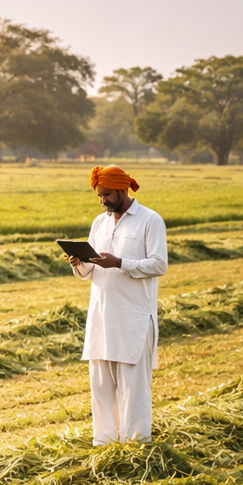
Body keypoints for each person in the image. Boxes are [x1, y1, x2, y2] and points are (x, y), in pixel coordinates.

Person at [67, 166, 168, 444]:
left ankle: (136, 444)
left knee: (133, 388)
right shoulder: (99, 223)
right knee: (100, 386)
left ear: (123, 189)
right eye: (99, 196)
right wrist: (78, 263)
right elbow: (89, 271)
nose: (103, 201)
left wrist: (119, 263)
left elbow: (159, 264)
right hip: (101, 317)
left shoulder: (150, 220)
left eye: (107, 195)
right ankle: (104, 442)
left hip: (133, 318)